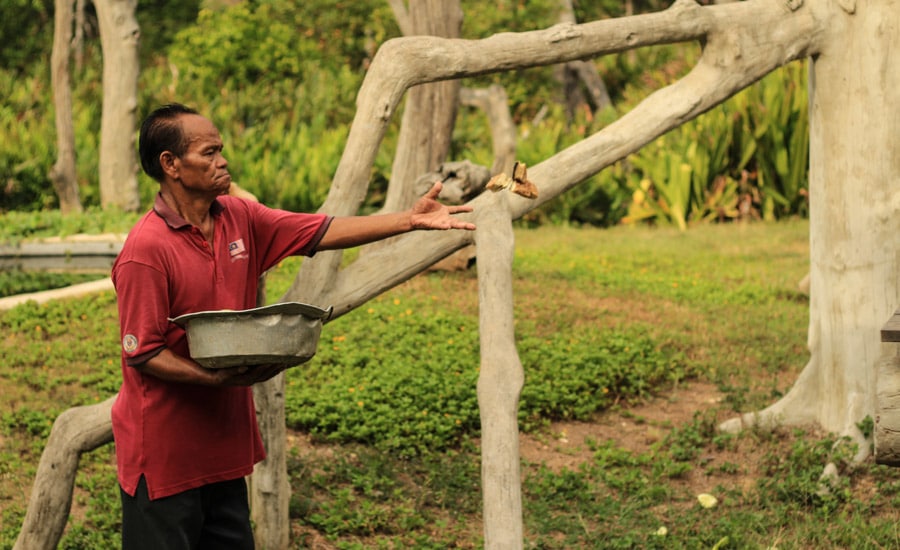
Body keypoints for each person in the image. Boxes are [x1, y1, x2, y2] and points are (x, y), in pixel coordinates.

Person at [111, 103, 475, 549]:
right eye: (209, 153)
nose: (223, 161)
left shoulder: (240, 217)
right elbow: (143, 353)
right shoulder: (146, 250)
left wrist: (410, 220)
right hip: (166, 460)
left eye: (221, 150)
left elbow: (320, 231)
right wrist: (216, 378)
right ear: (170, 165)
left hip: (224, 452)